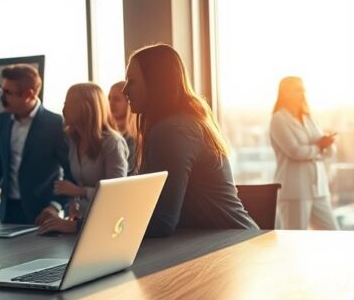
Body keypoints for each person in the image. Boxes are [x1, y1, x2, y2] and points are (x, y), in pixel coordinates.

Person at [122, 44, 257, 237]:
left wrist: (94, 229)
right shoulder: (182, 124)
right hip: (225, 242)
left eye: (132, 81)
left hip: (230, 249)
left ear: (155, 82)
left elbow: (162, 221)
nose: (125, 90)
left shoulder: (171, 132)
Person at [0, 63, 72, 226]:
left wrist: (55, 206)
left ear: (29, 94)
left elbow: (70, 170)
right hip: (7, 211)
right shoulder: (0, 121)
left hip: (42, 213)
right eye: (1, 90)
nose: (2, 97)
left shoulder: (55, 123)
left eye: (7, 92)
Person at [38, 83, 129, 234]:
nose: (63, 109)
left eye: (68, 104)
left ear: (85, 107)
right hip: (82, 225)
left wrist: (80, 192)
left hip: (108, 228)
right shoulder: (73, 140)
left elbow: (116, 194)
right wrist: (74, 204)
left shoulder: (112, 143)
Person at [270, 76, 339, 230]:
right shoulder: (278, 119)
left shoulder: (308, 118)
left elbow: (327, 152)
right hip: (295, 192)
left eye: (303, 89)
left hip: (319, 190)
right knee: (294, 241)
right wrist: (319, 147)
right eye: (297, 89)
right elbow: (294, 151)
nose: (303, 92)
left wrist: (327, 145)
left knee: (333, 234)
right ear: (285, 93)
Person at [108, 80, 138, 173]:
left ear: (129, 102)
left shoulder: (134, 138)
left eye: (116, 99)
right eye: (109, 98)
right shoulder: (105, 134)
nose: (110, 103)